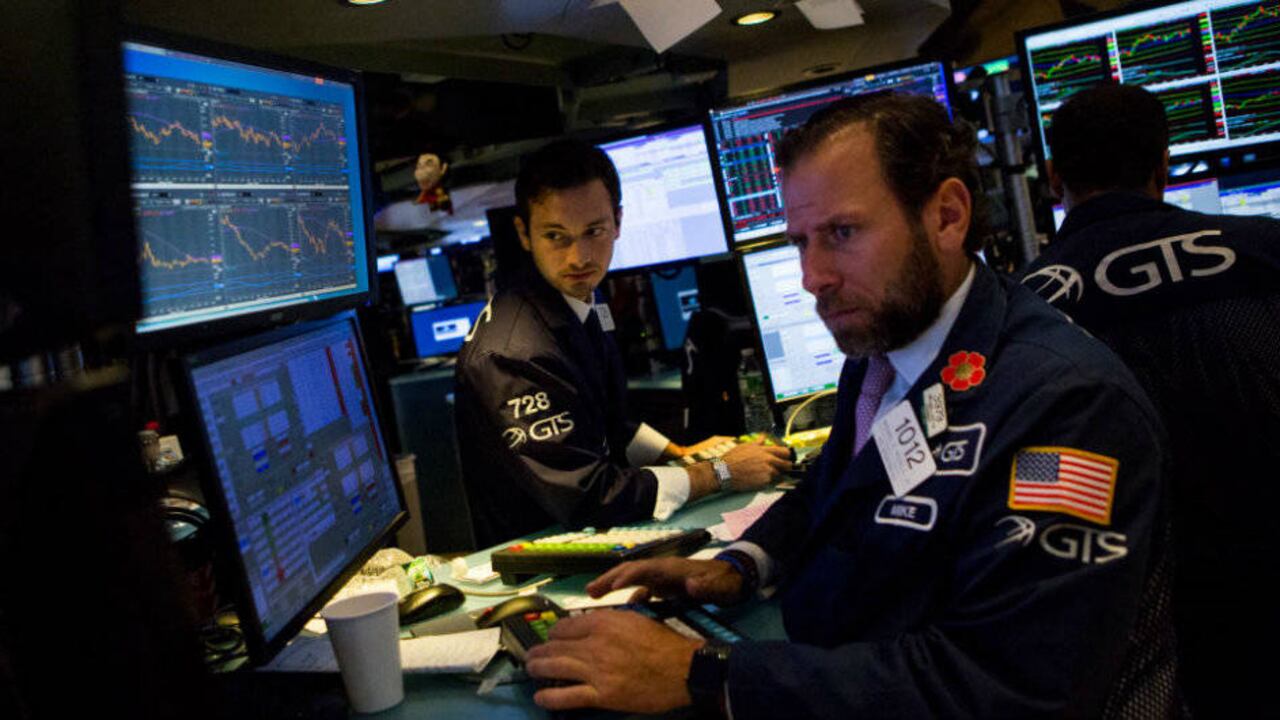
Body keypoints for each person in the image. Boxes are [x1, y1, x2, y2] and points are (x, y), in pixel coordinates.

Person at [523, 93, 1179, 718]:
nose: (812, 278)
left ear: (947, 216)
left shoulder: (1066, 409)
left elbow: (1006, 688)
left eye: (841, 232)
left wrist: (706, 675)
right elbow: (837, 490)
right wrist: (740, 565)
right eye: (801, 242)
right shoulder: (886, 349)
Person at [1021, 82, 1280, 716]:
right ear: (1164, 165)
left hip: (1136, 649)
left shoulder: (1017, 313)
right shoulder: (1266, 250)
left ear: (1054, 179)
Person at [454, 139, 792, 547]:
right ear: (524, 234)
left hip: (596, 534)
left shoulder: (580, 296)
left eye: (594, 231)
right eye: (556, 236)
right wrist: (719, 473)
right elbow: (588, 495)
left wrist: (679, 451)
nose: (579, 257)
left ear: (617, 221)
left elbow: (608, 421)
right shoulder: (514, 354)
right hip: (544, 556)